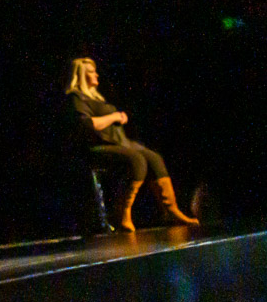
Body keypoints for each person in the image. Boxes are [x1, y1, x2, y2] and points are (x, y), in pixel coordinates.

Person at [66, 57, 198, 232]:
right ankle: (123, 213)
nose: (96, 74)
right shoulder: (76, 97)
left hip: (119, 142)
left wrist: (120, 117)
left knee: (154, 158)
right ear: (82, 75)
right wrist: (114, 117)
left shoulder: (97, 98)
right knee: (137, 160)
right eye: (91, 72)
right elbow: (87, 124)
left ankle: (170, 210)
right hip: (97, 146)